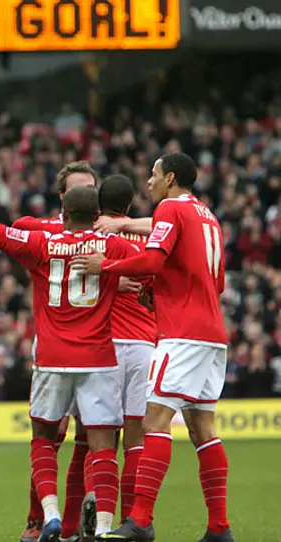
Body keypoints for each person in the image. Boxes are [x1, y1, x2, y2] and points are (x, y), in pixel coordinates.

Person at [0, 185, 140, 542]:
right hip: (98, 358)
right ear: (98, 218)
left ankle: (50, 515)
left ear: (63, 216)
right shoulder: (113, 247)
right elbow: (150, 263)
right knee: (102, 446)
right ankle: (102, 528)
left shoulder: (41, 243)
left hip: (52, 359)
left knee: (43, 439)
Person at [71, 153, 232, 542]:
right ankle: (219, 528)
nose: (149, 182)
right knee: (203, 429)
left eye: (154, 175)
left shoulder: (169, 208)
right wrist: (158, 293)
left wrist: (104, 268)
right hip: (212, 334)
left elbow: (154, 259)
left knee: (154, 423)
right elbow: (218, 281)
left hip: (181, 335)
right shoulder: (207, 216)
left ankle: (140, 519)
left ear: (170, 178)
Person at [12, 165, 144, 542]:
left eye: (93, 189)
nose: (91, 197)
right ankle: (38, 518)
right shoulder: (48, 230)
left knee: (91, 438)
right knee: (54, 433)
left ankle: (76, 525)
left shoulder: (110, 234)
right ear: (63, 200)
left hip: (99, 346)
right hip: (57, 342)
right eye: (81, 190)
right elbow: (20, 225)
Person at [97, 174, 157, 525]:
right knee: (136, 438)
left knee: (100, 437)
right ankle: (131, 519)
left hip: (104, 345)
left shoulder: (96, 233)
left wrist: (108, 277)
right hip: (144, 346)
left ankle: (98, 515)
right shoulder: (151, 235)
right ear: (131, 203)